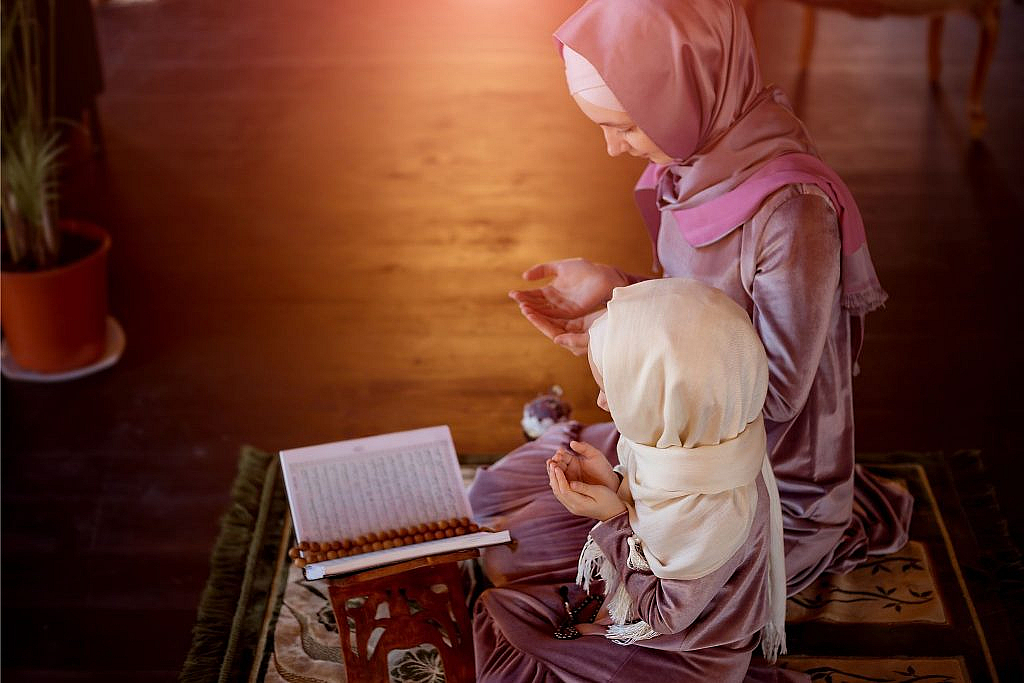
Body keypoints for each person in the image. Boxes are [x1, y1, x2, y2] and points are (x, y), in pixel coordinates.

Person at [497, 0, 912, 595]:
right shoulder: (697, 157)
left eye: (626, 125)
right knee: (499, 503)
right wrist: (620, 293)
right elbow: (703, 313)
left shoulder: (791, 211)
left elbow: (772, 396)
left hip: (750, 474)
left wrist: (621, 341)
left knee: (521, 564)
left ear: (686, 95)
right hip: (687, 436)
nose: (614, 149)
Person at [473, 278, 787, 681]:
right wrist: (614, 482)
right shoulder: (698, 432)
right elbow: (652, 503)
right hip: (646, 610)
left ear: (663, 399)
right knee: (507, 567)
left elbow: (665, 614)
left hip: (684, 650)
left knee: (513, 658)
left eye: (610, 389)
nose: (601, 402)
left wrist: (614, 520)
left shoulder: (717, 510)